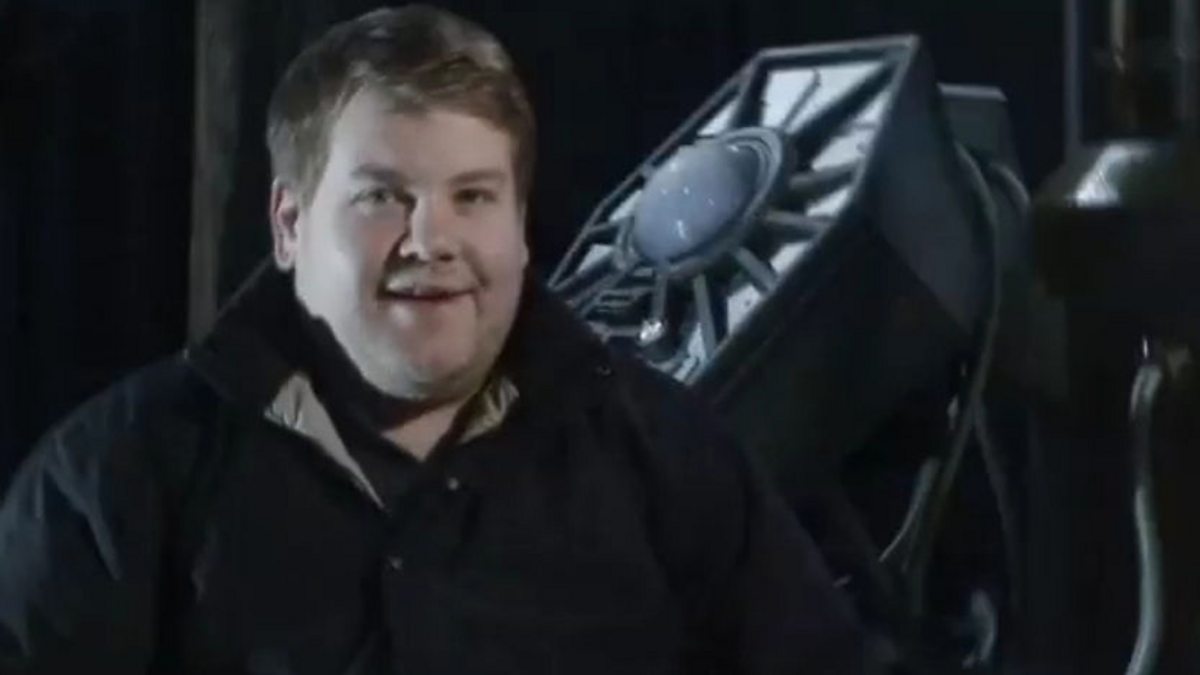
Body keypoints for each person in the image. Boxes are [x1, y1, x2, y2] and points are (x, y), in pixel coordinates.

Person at [0, 5, 871, 673]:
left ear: (520, 226)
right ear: (290, 224)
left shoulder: (669, 462)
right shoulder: (114, 480)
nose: (432, 240)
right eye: (383, 196)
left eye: (473, 197)